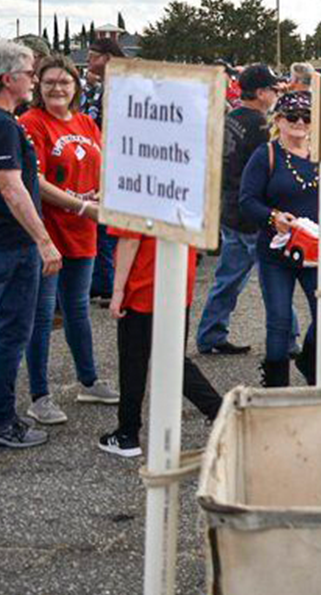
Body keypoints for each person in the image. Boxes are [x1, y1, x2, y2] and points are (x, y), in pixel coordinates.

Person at [19, 55, 117, 426]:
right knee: (42, 316)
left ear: (76, 86)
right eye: (49, 83)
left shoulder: (86, 122)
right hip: (47, 232)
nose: (57, 88)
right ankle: (39, 396)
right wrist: (80, 206)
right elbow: (35, 182)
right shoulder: (32, 123)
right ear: (38, 88)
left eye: (64, 82)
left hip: (84, 231)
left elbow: (105, 165)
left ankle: (88, 381)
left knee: (77, 310)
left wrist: (102, 197)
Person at [240, 91, 321, 386]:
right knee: (279, 320)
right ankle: (276, 385)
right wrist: (273, 218)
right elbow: (247, 201)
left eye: (306, 117)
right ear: (278, 119)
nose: (300, 122)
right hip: (276, 254)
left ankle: (309, 361)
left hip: (315, 252)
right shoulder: (265, 154)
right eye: (292, 117)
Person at [99, 228, 222, 458]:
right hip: (178, 277)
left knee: (133, 360)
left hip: (143, 280)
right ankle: (219, 411)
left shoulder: (137, 193)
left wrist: (117, 290)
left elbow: (129, 238)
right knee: (173, 360)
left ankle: (127, 433)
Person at [195, 64, 282, 355]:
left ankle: (210, 334)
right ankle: (290, 338)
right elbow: (264, 172)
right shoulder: (260, 126)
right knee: (276, 278)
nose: (276, 94)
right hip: (251, 212)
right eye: (273, 89)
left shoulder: (229, 117)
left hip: (229, 207)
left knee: (228, 278)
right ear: (260, 93)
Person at [0, 40, 61, 449]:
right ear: (8, 79)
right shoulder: (5, 125)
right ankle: (5, 421)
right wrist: (43, 240)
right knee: (10, 334)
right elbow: (11, 186)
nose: (33, 81)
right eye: (28, 74)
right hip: (13, 246)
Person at [84, 36, 127, 305]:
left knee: (109, 225)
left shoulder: (122, 85)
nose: (88, 61)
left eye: (93, 56)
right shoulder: (103, 86)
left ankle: (109, 282)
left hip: (115, 160)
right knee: (102, 223)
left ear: (108, 58)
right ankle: (102, 281)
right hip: (99, 157)